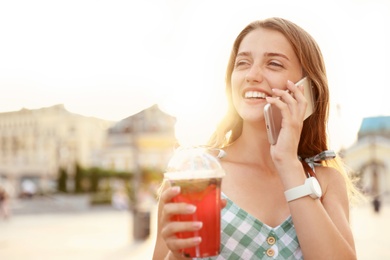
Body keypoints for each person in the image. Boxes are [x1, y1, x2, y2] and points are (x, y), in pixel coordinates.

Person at [153, 17, 359, 259]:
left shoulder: (325, 181)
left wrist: (288, 163)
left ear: (306, 89)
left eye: (273, 64)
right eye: (242, 63)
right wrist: (179, 254)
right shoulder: (196, 172)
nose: (252, 75)